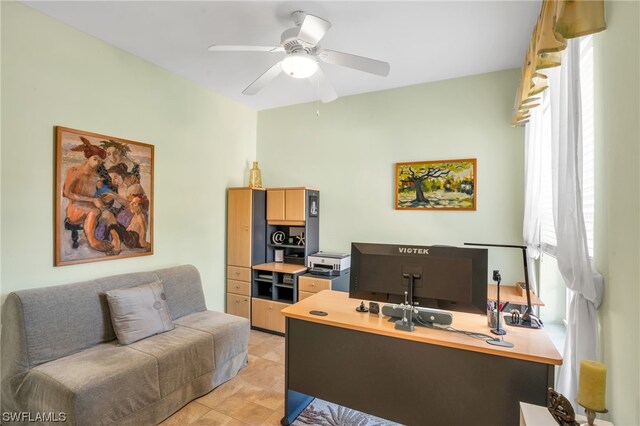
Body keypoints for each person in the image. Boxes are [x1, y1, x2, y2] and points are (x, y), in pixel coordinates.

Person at [63, 137, 113, 252]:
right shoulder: (75, 171)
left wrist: (101, 199)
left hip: (89, 207)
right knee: (94, 211)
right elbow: (67, 193)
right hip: (74, 209)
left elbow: (93, 195)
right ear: (88, 158)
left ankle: (114, 242)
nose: (97, 163)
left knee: (107, 213)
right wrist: (92, 200)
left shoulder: (96, 177)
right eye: (95, 159)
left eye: (100, 162)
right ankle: (92, 241)